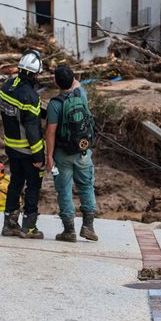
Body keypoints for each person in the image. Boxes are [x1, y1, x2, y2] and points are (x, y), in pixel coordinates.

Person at [45, 65, 98, 243]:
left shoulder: (54, 104)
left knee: (64, 191)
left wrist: (49, 156)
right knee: (86, 186)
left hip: (62, 155)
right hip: (83, 152)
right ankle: (88, 227)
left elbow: (50, 132)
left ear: (55, 82)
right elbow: (77, 84)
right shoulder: (81, 94)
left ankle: (69, 231)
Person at [0, 50, 47, 239]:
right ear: (35, 74)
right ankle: (29, 228)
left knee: (15, 184)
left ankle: (10, 225)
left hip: (11, 147)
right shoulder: (31, 96)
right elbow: (32, 128)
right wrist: (38, 156)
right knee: (33, 186)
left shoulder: (7, 86)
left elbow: (16, 113)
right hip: (28, 150)